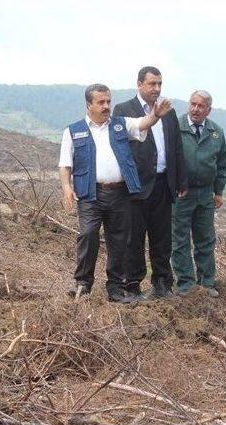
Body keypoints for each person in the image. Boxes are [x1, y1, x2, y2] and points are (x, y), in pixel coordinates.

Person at [59, 83, 172, 303]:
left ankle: (116, 288)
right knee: (88, 234)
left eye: (108, 101)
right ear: (88, 104)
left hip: (120, 193)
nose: (106, 106)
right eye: (101, 102)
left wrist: (155, 116)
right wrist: (66, 188)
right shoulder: (73, 131)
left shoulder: (120, 125)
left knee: (119, 240)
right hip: (90, 193)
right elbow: (65, 164)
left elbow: (143, 123)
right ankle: (83, 284)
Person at [113, 66, 187, 299]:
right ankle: (131, 285)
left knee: (162, 237)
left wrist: (181, 179)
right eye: (152, 84)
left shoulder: (168, 111)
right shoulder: (124, 109)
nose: (156, 88)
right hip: (135, 186)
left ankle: (162, 284)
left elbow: (176, 146)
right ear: (139, 84)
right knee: (133, 238)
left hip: (164, 183)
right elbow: (119, 147)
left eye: (160, 84)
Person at [171, 90, 226, 298]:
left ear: (208, 110)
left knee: (205, 239)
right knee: (180, 239)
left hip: (205, 194)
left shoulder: (216, 132)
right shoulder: (176, 126)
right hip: (181, 194)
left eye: (200, 106)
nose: (195, 109)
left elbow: (221, 163)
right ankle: (186, 284)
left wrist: (218, 191)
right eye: (193, 104)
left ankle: (207, 282)